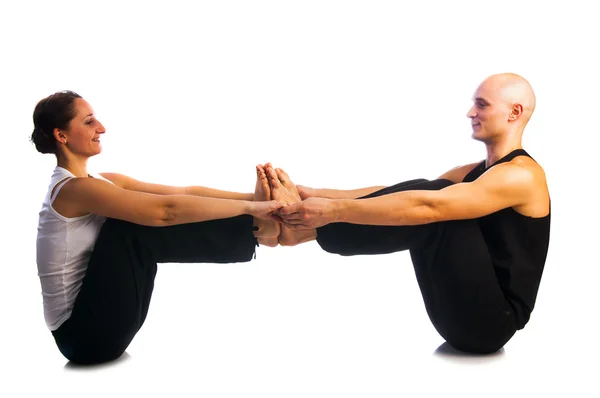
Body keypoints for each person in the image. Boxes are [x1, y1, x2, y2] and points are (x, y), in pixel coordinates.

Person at [264, 73, 551, 354]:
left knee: (436, 212)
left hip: (489, 326)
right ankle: (304, 228)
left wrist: (332, 212)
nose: (470, 112)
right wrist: (314, 195)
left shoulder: (522, 175)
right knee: (429, 189)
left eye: (482, 104)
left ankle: (307, 231)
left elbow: (427, 206)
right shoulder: (477, 173)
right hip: (457, 312)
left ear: (514, 112)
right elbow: (402, 194)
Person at [31, 91, 283, 365]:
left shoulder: (102, 181)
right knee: (131, 226)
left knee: (141, 214)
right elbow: (165, 212)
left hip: (104, 326)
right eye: (89, 122)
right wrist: (252, 211)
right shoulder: (72, 190)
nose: (101, 128)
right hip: (82, 338)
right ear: (61, 135)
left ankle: (259, 228)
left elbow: (182, 192)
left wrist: (256, 199)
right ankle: (258, 229)